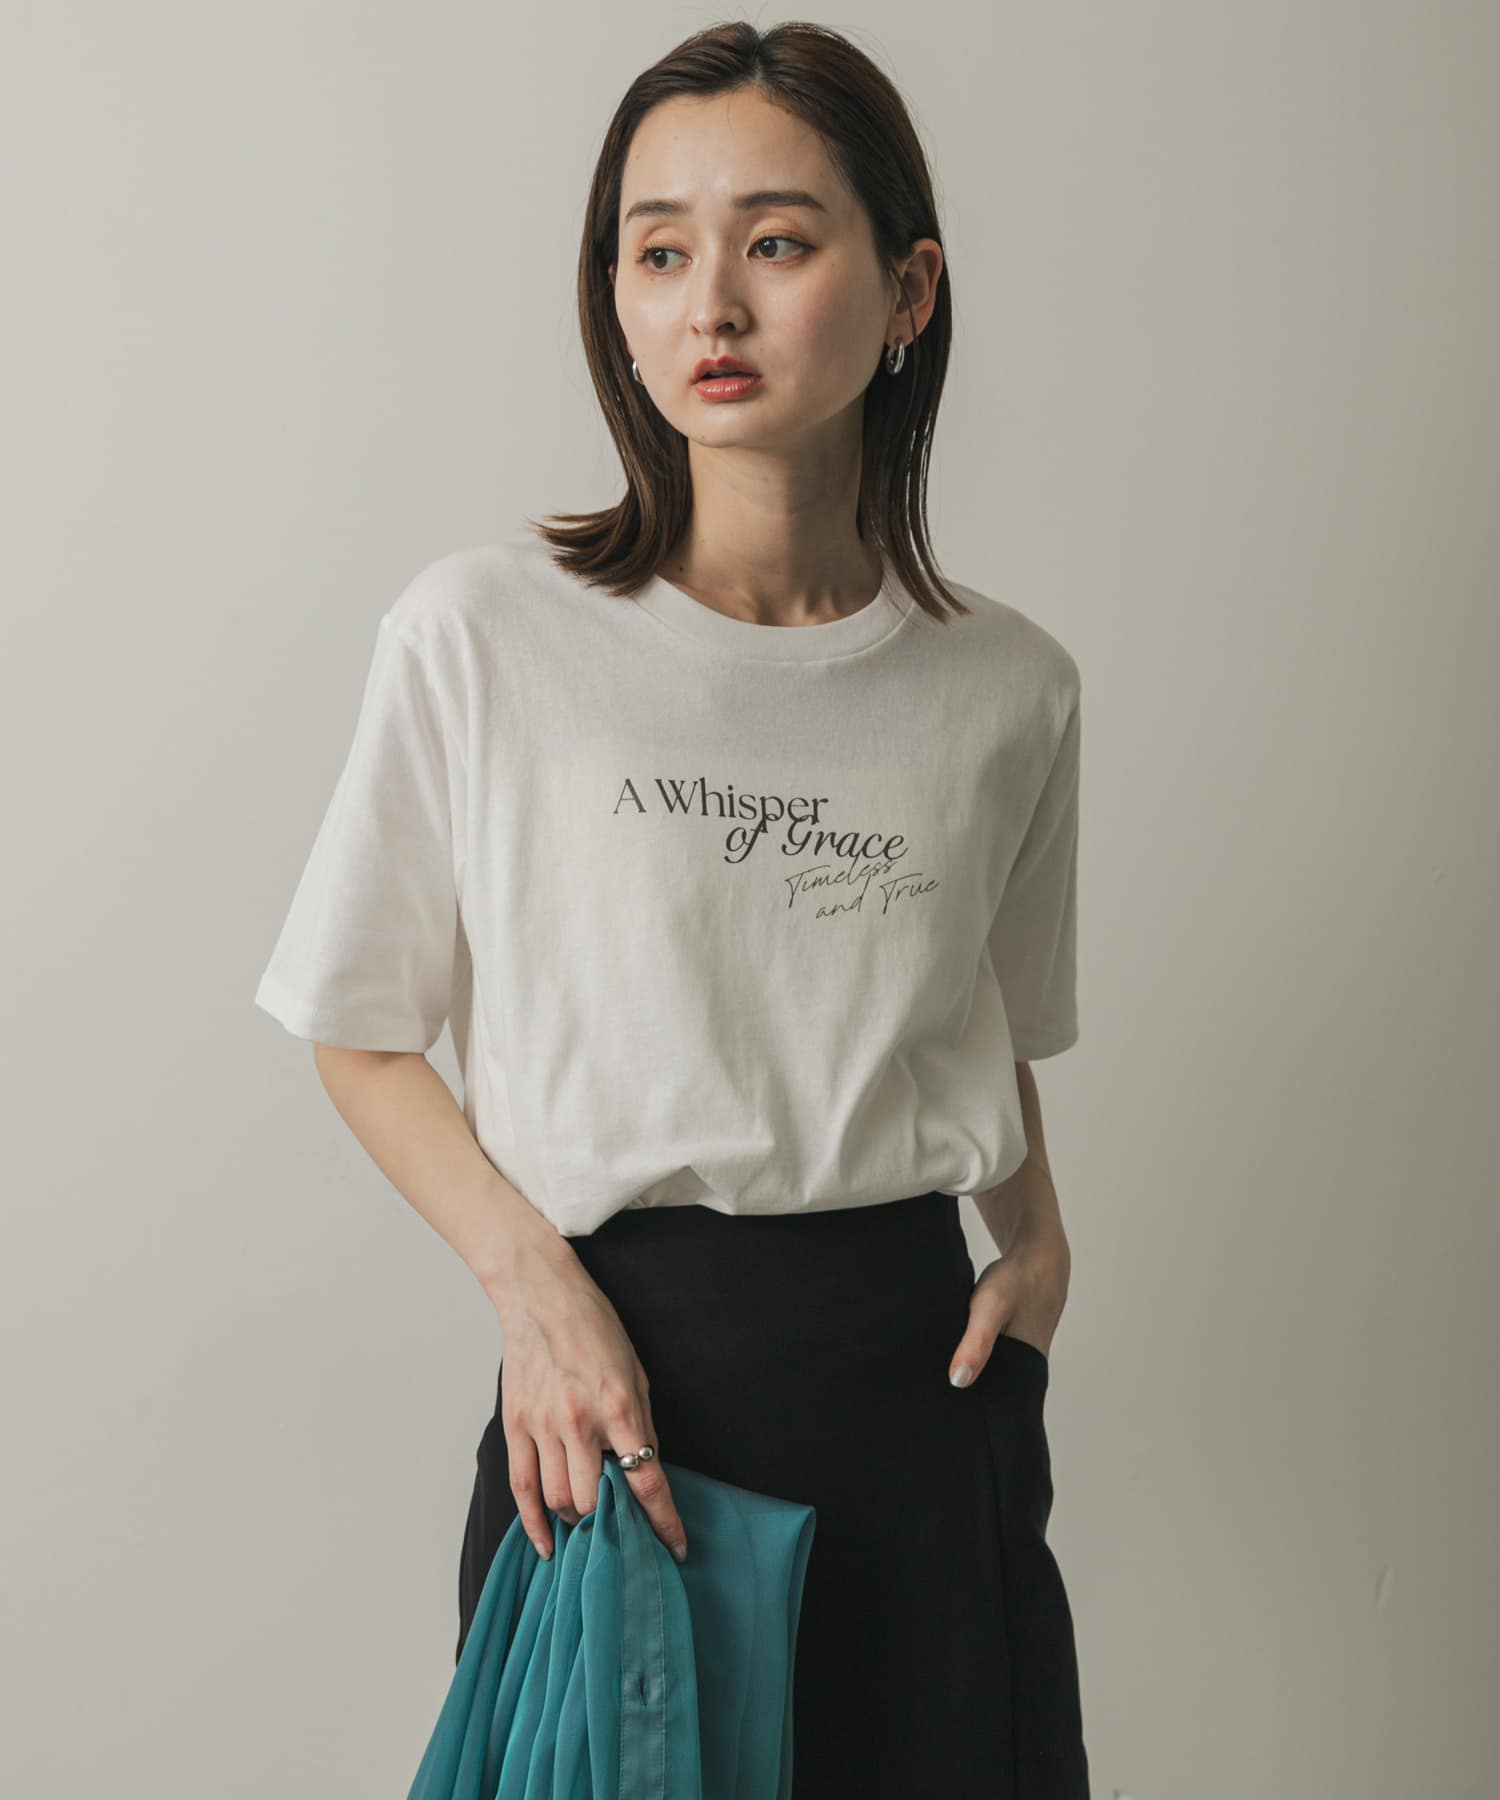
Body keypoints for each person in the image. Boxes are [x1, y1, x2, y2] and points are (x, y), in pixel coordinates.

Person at [254, 20, 1090, 1798]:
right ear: (616, 298)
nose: (710, 302)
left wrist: (1035, 1241)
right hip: (620, 1400)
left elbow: (980, 1020)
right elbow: (358, 1027)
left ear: (908, 287)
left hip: (922, 1402)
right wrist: (532, 1293)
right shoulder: (488, 636)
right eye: (656, 251)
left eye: (775, 242)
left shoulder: (1009, 689)